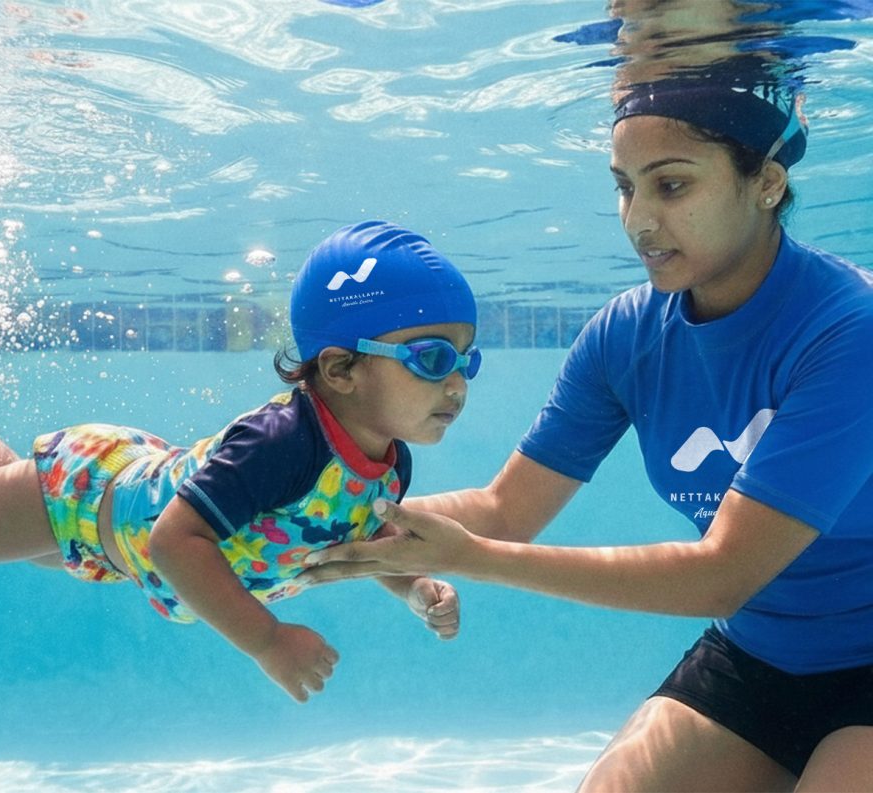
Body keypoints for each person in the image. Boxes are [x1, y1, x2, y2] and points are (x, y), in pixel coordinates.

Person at [303, 80, 873, 791]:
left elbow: (724, 572)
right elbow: (505, 510)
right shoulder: (626, 335)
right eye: (625, 188)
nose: (639, 221)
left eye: (671, 185)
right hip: (762, 655)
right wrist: (308, 519)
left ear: (766, 183)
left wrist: (479, 559)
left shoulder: (850, 328)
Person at [0, 219, 479, 704]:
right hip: (87, 494)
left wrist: (412, 586)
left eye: (466, 360)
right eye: (433, 360)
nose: (457, 385)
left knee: (6, 520)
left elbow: (361, 541)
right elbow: (176, 541)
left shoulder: (387, 460)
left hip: (108, 539)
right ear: (341, 367)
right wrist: (268, 640)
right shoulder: (283, 442)